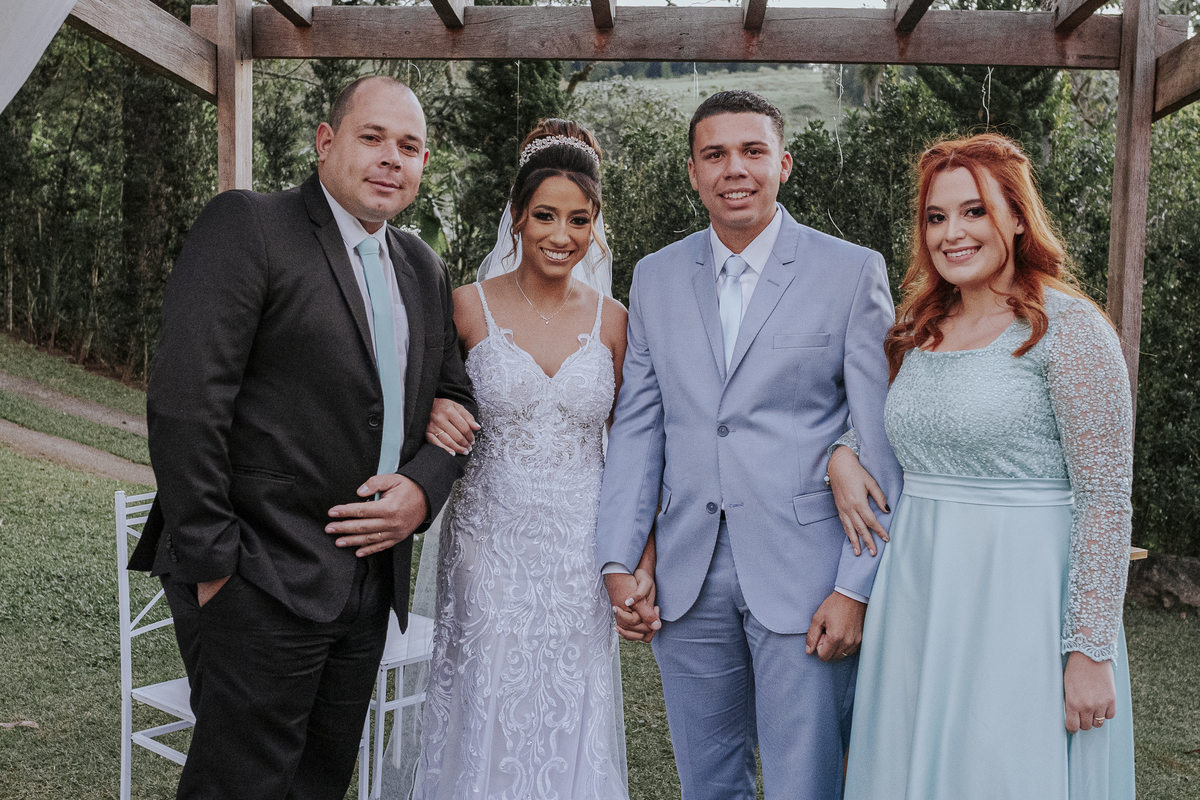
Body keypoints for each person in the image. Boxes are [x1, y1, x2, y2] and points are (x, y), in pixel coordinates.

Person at [129, 76, 477, 800]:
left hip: (368, 585)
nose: (391, 158)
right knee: (239, 786)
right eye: (372, 137)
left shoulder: (422, 267)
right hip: (257, 574)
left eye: (408, 146)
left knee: (320, 783)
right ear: (326, 141)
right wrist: (217, 570)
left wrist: (423, 489)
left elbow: (457, 397)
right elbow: (187, 404)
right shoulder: (250, 227)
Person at [594, 90, 904, 800]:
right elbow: (638, 428)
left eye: (753, 151)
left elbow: (880, 441)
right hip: (687, 575)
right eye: (715, 154)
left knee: (806, 784)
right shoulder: (655, 276)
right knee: (707, 783)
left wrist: (854, 589)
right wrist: (619, 556)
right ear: (694, 172)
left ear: (783, 164)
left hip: (809, 575)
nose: (734, 168)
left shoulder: (850, 271)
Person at [827, 133, 1135, 799]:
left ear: (1017, 217)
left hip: (1021, 599)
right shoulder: (918, 328)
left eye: (975, 211)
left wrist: (1090, 650)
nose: (953, 233)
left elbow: (1106, 498)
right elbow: (898, 428)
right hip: (918, 594)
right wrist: (842, 454)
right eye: (936, 217)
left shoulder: (1070, 329)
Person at [412, 119, 656, 800]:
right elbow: (416, 402)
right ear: (517, 216)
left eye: (579, 219)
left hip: (581, 549)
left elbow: (632, 450)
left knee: (570, 703)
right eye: (545, 215)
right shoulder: (465, 309)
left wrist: (638, 557)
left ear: (596, 225)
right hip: (487, 544)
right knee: (486, 697)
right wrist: (430, 410)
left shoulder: (616, 321)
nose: (561, 234)